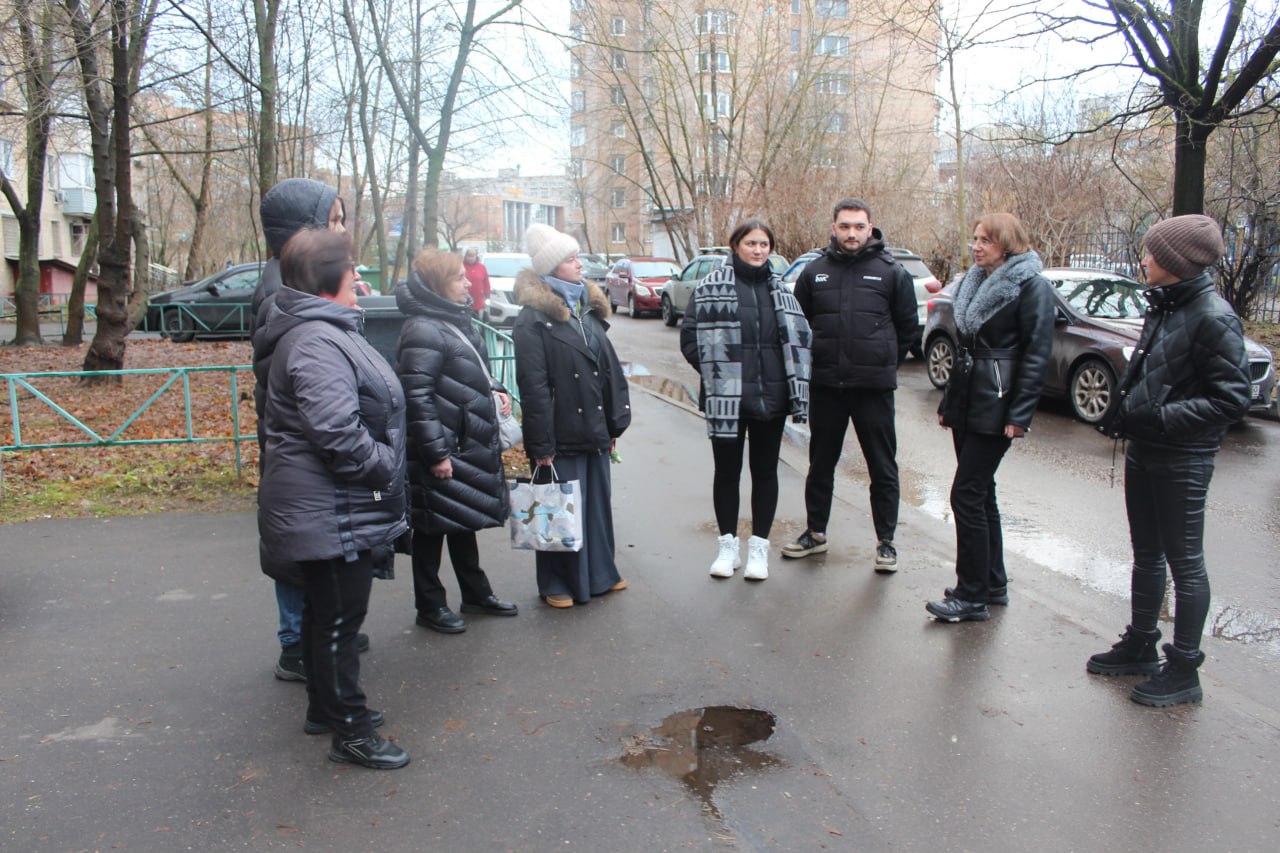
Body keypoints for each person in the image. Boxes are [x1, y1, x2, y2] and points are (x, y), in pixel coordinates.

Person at [255, 228, 410, 770]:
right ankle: (352, 731)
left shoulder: (319, 330)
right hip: (332, 505)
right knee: (342, 619)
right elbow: (337, 433)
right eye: (352, 268)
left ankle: (326, 709)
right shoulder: (317, 340)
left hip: (327, 503)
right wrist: (388, 466)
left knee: (327, 615)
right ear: (330, 278)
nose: (360, 276)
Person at [1089, 214, 1249, 707]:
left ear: (1176, 261)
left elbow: (1232, 398)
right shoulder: (1166, 304)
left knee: (1186, 565)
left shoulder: (1212, 315)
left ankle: (1183, 670)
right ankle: (1141, 643)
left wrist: (1159, 415)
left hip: (1183, 458)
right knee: (1146, 554)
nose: (1144, 258)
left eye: (1151, 252)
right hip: (1146, 449)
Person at [249, 178, 361, 683]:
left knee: (310, 539)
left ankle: (316, 633)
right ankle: (297, 643)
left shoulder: (288, 278)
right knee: (301, 540)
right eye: (333, 221)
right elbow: (301, 380)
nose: (342, 230)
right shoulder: (283, 288)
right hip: (298, 444)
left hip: (296, 439)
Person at [927, 213, 1053, 623]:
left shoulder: (1031, 287)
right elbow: (966, 352)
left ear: (1008, 244)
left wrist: (1020, 414)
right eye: (975, 238)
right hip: (969, 400)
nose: (976, 246)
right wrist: (950, 405)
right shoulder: (974, 281)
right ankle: (993, 582)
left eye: (986, 240)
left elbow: (1037, 355)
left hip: (998, 404)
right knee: (982, 493)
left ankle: (971, 594)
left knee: (965, 493)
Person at [783, 199, 917, 573]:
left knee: (883, 468)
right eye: (845, 226)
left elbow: (907, 327)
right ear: (834, 228)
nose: (852, 233)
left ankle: (886, 543)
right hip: (826, 385)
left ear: (871, 228)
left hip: (872, 388)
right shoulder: (815, 272)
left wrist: (883, 360)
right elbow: (801, 325)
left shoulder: (892, 273)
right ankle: (815, 533)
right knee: (820, 464)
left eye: (859, 226)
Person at [680, 220, 812, 582]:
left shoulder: (782, 292)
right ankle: (727, 548)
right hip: (727, 398)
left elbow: (802, 340)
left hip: (771, 398)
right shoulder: (710, 287)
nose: (758, 250)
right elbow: (690, 337)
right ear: (736, 245)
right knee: (726, 472)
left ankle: (759, 549)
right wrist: (715, 373)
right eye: (751, 243)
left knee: (766, 472)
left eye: (764, 244)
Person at [395, 249, 519, 633]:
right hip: (445, 448)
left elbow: (475, 371)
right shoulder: (422, 329)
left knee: (462, 521)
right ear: (437, 286)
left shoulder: (455, 319)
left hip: (463, 443)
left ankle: (476, 594)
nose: (469, 283)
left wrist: (496, 389)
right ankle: (430, 606)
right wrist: (436, 453)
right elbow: (416, 396)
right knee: (431, 529)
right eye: (458, 279)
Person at [512, 223, 631, 607]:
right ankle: (559, 584)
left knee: (594, 507)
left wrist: (614, 425)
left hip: (594, 429)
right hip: (561, 433)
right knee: (558, 507)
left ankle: (600, 574)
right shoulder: (533, 320)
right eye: (571, 258)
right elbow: (533, 389)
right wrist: (541, 446)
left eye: (578, 256)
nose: (580, 264)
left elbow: (609, 370)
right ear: (551, 268)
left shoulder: (587, 309)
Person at [463, 248, 491, 318]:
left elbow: (486, 282)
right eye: (469, 256)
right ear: (466, 256)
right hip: (464, 298)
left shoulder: (481, 267)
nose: (471, 258)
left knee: (478, 318)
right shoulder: (461, 267)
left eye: (473, 256)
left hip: (478, 300)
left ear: (476, 256)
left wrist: (487, 295)